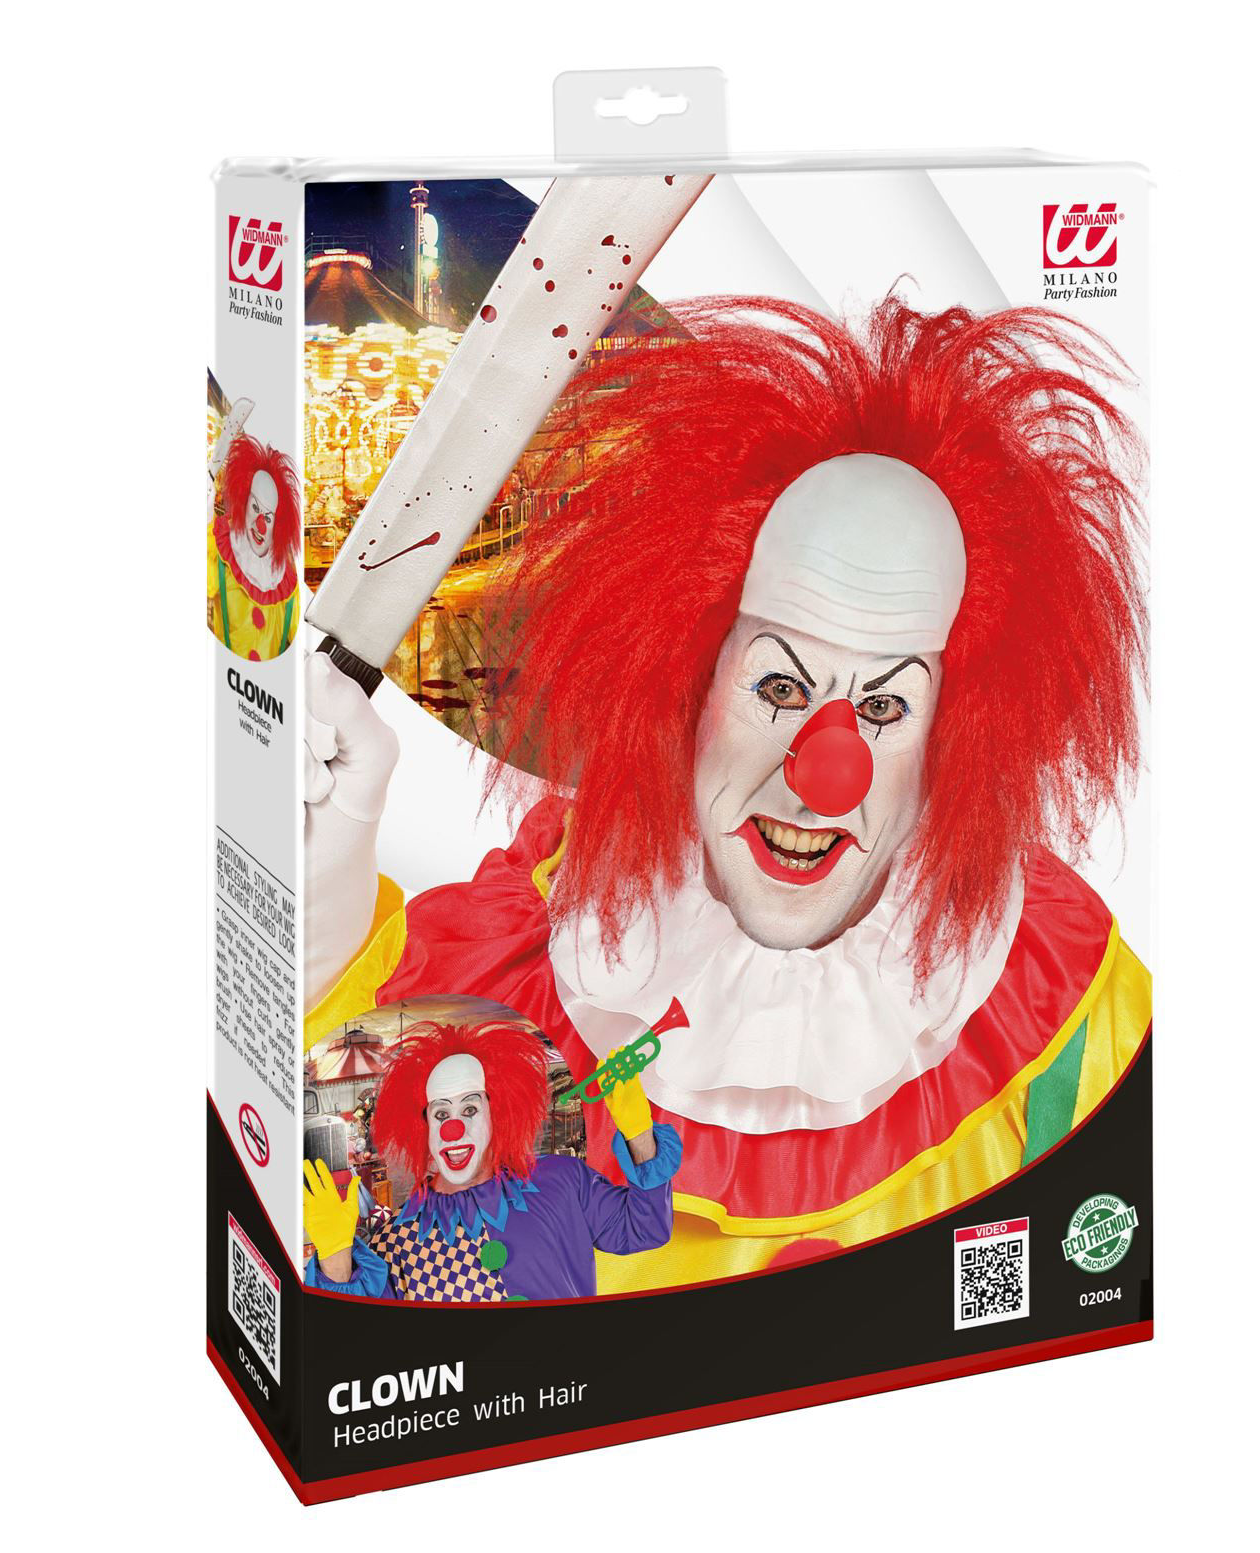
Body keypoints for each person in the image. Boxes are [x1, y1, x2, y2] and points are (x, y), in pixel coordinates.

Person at [302, 295, 1151, 1292]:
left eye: (885, 707)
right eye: (778, 688)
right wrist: (318, 907)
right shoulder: (522, 972)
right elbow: (333, 1175)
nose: (823, 772)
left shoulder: (1062, 1014)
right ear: (687, 685)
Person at [302, 1019, 681, 1301]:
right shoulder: (397, 1240)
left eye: (470, 1109)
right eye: (440, 1113)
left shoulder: (561, 1180)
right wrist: (336, 1253)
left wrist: (638, 1133)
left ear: (496, 1114)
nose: (453, 1128)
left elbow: (644, 1228)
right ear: (424, 1128)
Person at [208, 430, 301, 661]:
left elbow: (300, 637)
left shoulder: (286, 580)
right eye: (255, 508)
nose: (260, 524)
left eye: (268, 517)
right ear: (243, 504)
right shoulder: (223, 552)